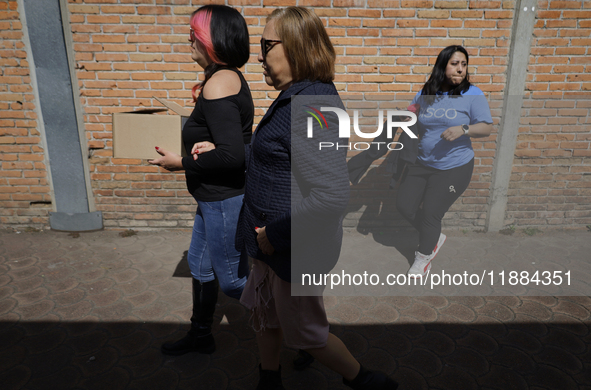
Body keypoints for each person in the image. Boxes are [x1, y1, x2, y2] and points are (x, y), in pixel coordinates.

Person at [237, 7, 398, 390]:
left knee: (307, 332)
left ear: (295, 47)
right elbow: (273, 154)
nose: (258, 55)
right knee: (267, 314)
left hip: (289, 248)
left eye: (265, 45)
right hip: (274, 247)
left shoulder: (315, 108)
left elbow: (330, 195)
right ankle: (269, 379)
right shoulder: (298, 97)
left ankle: (362, 379)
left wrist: (273, 235)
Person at [148, 4, 253, 355]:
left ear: (212, 39)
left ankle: (304, 332)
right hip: (211, 199)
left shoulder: (219, 83)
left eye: (194, 33)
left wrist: (180, 163)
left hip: (223, 199)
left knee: (235, 281)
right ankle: (201, 335)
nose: (188, 38)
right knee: (199, 265)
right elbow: (235, 142)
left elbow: (232, 156)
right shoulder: (222, 77)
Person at [396, 45, 493, 278]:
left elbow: (487, 127)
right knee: (404, 206)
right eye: (454, 64)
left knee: (431, 213)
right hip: (422, 162)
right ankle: (433, 235)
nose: (460, 69)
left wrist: (464, 128)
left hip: (454, 167)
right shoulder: (427, 91)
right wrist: (406, 114)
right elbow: (414, 114)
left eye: (464, 64)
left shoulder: (473, 94)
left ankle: (423, 257)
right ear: (442, 65)